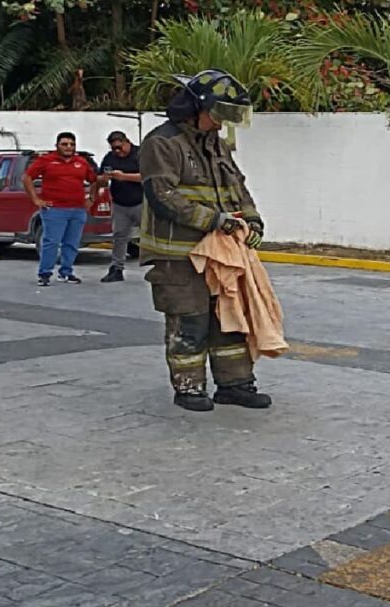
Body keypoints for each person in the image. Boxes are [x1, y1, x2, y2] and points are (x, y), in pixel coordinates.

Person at [138, 68, 270, 412]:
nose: (222, 122)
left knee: (230, 318)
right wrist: (214, 220)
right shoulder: (162, 143)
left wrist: (252, 220)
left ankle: (235, 385)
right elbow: (163, 196)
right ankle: (189, 388)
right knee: (190, 321)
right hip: (178, 256)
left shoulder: (216, 144)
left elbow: (237, 186)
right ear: (196, 106)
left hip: (220, 253)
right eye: (219, 113)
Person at [22, 132, 98, 286]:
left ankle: (66, 273)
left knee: (72, 243)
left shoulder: (81, 162)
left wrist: (91, 198)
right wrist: (36, 199)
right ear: (57, 145)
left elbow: (94, 180)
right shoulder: (46, 160)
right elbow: (27, 178)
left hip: (77, 210)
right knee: (51, 242)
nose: (68, 147)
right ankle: (44, 274)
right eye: (64, 144)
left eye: (72, 144)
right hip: (54, 209)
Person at [97, 131, 142, 283]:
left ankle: (160, 266)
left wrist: (124, 176)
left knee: (151, 235)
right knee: (119, 237)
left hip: (141, 202)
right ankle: (117, 268)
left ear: (127, 142)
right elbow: (99, 178)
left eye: (120, 147)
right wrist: (104, 179)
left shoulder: (140, 154)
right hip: (120, 203)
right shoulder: (110, 157)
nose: (118, 151)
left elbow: (148, 176)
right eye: (114, 148)